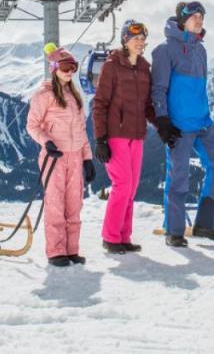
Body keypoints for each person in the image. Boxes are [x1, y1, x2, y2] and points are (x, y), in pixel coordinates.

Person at [151, 1, 214, 247]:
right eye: (194, 16)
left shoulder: (201, 50)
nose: (199, 20)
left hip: (204, 122)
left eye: (202, 17)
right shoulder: (165, 50)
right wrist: (163, 121)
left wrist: (206, 114)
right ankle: (173, 231)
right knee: (178, 177)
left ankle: (205, 224)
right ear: (182, 20)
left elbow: (199, 88)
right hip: (179, 126)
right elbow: (158, 89)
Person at [91, 19, 159, 254]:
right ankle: (110, 237)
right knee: (122, 185)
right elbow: (99, 104)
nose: (140, 43)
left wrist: (161, 124)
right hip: (116, 134)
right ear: (125, 40)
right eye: (135, 38)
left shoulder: (143, 68)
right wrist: (100, 139)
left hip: (137, 134)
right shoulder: (111, 66)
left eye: (142, 39)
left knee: (132, 188)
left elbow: (147, 105)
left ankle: (123, 236)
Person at [27, 43, 96, 266]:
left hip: (75, 156)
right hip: (54, 157)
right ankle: (56, 251)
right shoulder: (43, 94)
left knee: (74, 204)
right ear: (54, 67)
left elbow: (81, 131)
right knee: (56, 203)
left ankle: (71, 250)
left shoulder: (75, 97)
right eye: (65, 67)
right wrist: (47, 143)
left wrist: (87, 159)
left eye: (73, 68)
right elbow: (32, 125)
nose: (69, 72)